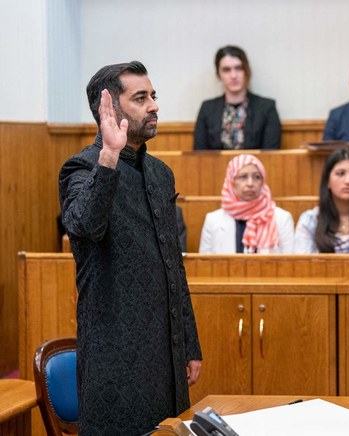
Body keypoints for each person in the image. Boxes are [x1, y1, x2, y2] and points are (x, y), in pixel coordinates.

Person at [59, 61, 202, 434]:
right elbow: (84, 226)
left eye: (153, 96)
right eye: (141, 98)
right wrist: (108, 156)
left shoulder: (160, 173)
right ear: (111, 107)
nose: (154, 105)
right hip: (115, 356)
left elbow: (173, 265)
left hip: (166, 354)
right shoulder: (81, 166)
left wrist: (188, 342)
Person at [199, 154, 294, 254]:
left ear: (262, 182)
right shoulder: (213, 220)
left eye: (257, 177)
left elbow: (289, 263)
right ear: (231, 181)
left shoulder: (282, 218)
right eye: (243, 177)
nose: (250, 183)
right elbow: (205, 265)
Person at [194, 45, 281, 150]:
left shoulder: (266, 107)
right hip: (214, 166)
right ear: (218, 74)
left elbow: (271, 154)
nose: (233, 75)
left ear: (247, 71)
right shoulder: (207, 108)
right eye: (226, 70)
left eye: (239, 68)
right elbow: (199, 154)